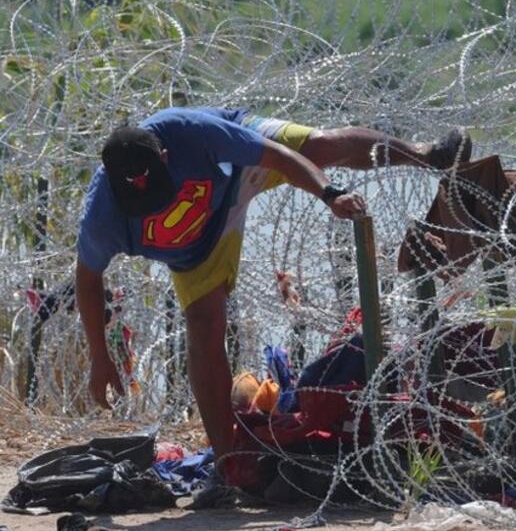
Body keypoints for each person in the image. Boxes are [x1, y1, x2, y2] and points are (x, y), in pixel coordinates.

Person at [76, 107, 471, 463]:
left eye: (159, 192)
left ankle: (427, 154)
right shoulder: (101, 216)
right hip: (198, 250)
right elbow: (88, 280)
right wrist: (99, 356)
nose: (155, 204)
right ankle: (228, 465)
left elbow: (279, 156)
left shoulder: (192, 131)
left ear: (165, 157)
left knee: (316, 146)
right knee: (203, 327)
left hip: (241, 169)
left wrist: (329, 193)